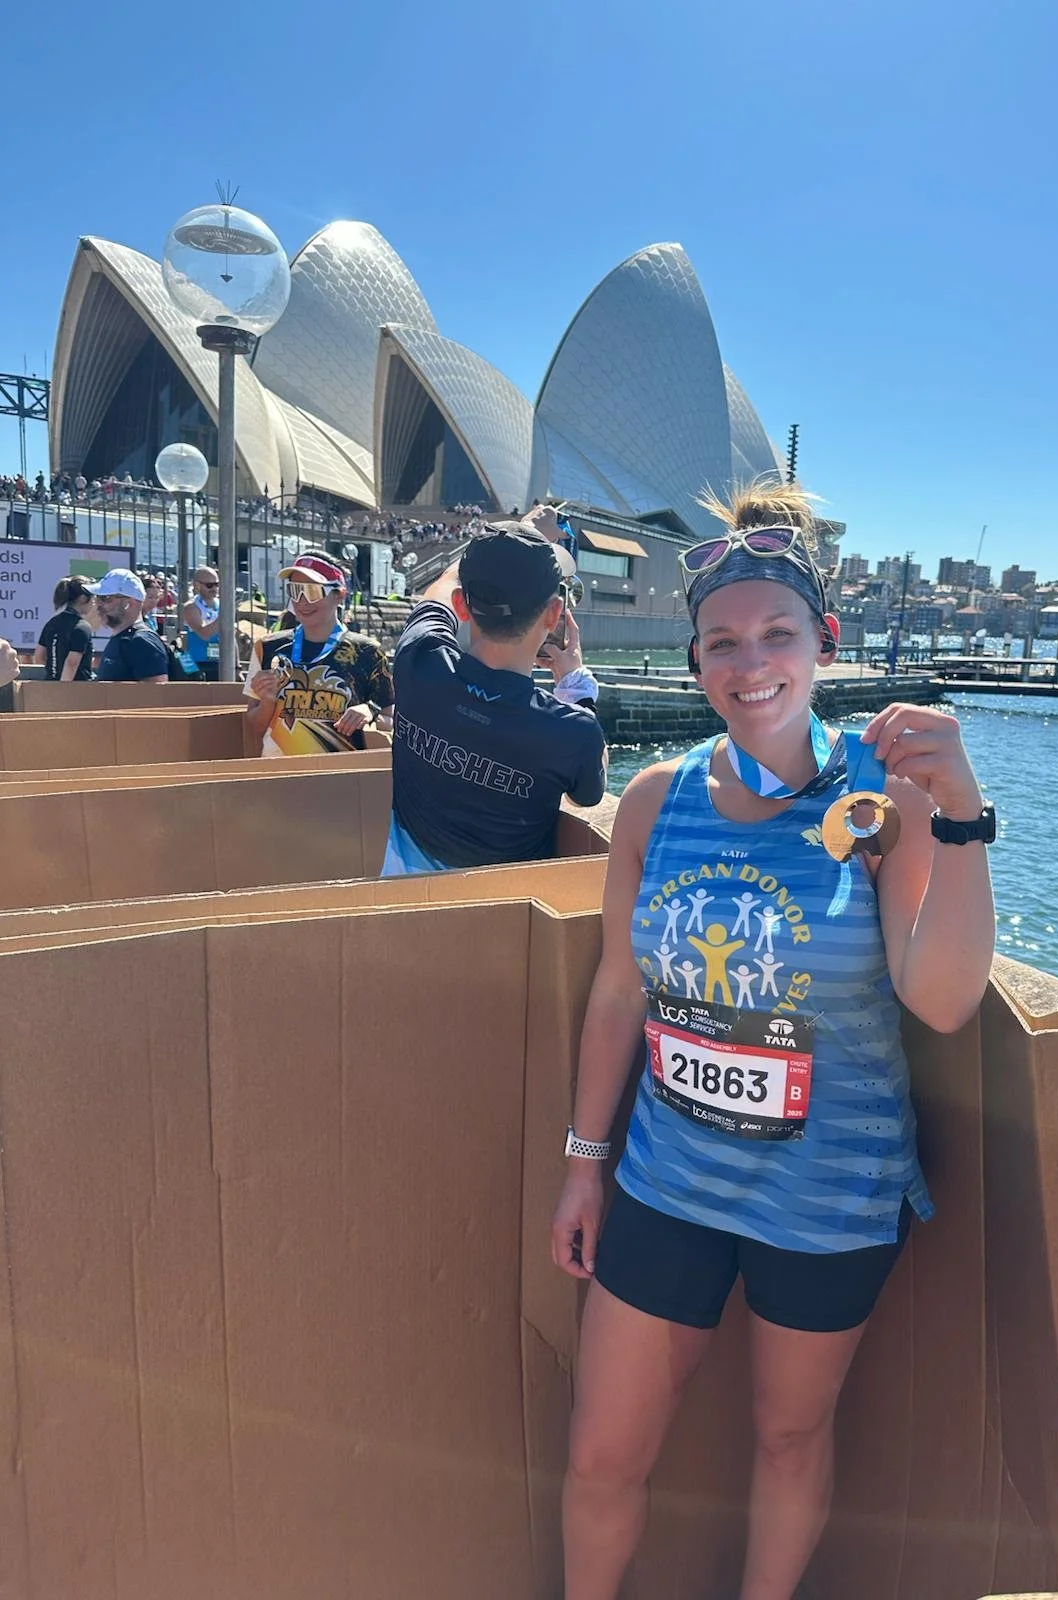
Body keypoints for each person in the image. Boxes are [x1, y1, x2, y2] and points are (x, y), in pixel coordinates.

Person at [549, 480, 995, 1600]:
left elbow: (938, 999)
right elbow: (620, 988)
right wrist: (582, 1164)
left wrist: (962, 815)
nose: (752, 665)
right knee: (603, 1451)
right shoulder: (654, 798)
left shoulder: (880, 797)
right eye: (724, 643)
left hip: (828, 1197)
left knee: (791, 1440)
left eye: (777, 635)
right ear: (697, 660)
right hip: (667, 1179)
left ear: (822, 643)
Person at [382, 519, 607, 875]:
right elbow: (588, 794)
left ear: (462, 605)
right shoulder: (571, 731)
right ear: (553, 614)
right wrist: (576, 688)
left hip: (401, 894)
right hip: (503, 913)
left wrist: (512, 532)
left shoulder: (418, 659)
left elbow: (443, 587)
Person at [243, 552, 394, 757]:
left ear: (339, 595)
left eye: (313, 591)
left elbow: (393, 722)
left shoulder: (368, 652)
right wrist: (268, 701)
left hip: (339, 777)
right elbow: (254, 728)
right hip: (279, 775)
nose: (302, 601)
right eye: (295, 590)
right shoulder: (267, 647)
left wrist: (370, 713)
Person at [94, 570, 170, 683]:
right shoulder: (122, 638)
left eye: (105, 598)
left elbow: (156, 696)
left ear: (128, 603)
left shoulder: (142, 641)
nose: (98, 604)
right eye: (97, 597)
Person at [34, 576, 97, 682]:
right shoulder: (82, 627)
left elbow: (39, 656)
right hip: (77, 689)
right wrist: (63, 689)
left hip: (50, 685)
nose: (94, 603)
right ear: (83, 598)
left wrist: (55, 669)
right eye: (93, 598)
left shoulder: (52, 623)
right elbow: (72, 663)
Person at [181, 566, 221, 680]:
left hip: (220, 662)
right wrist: (224, 617)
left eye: (217, 584)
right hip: (196, 664)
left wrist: (237, 666)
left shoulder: (221, 605)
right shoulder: (191, 607)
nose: (214, 588)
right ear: (197, 586)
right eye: (209, 585)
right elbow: (204, 634)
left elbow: (230, 637)